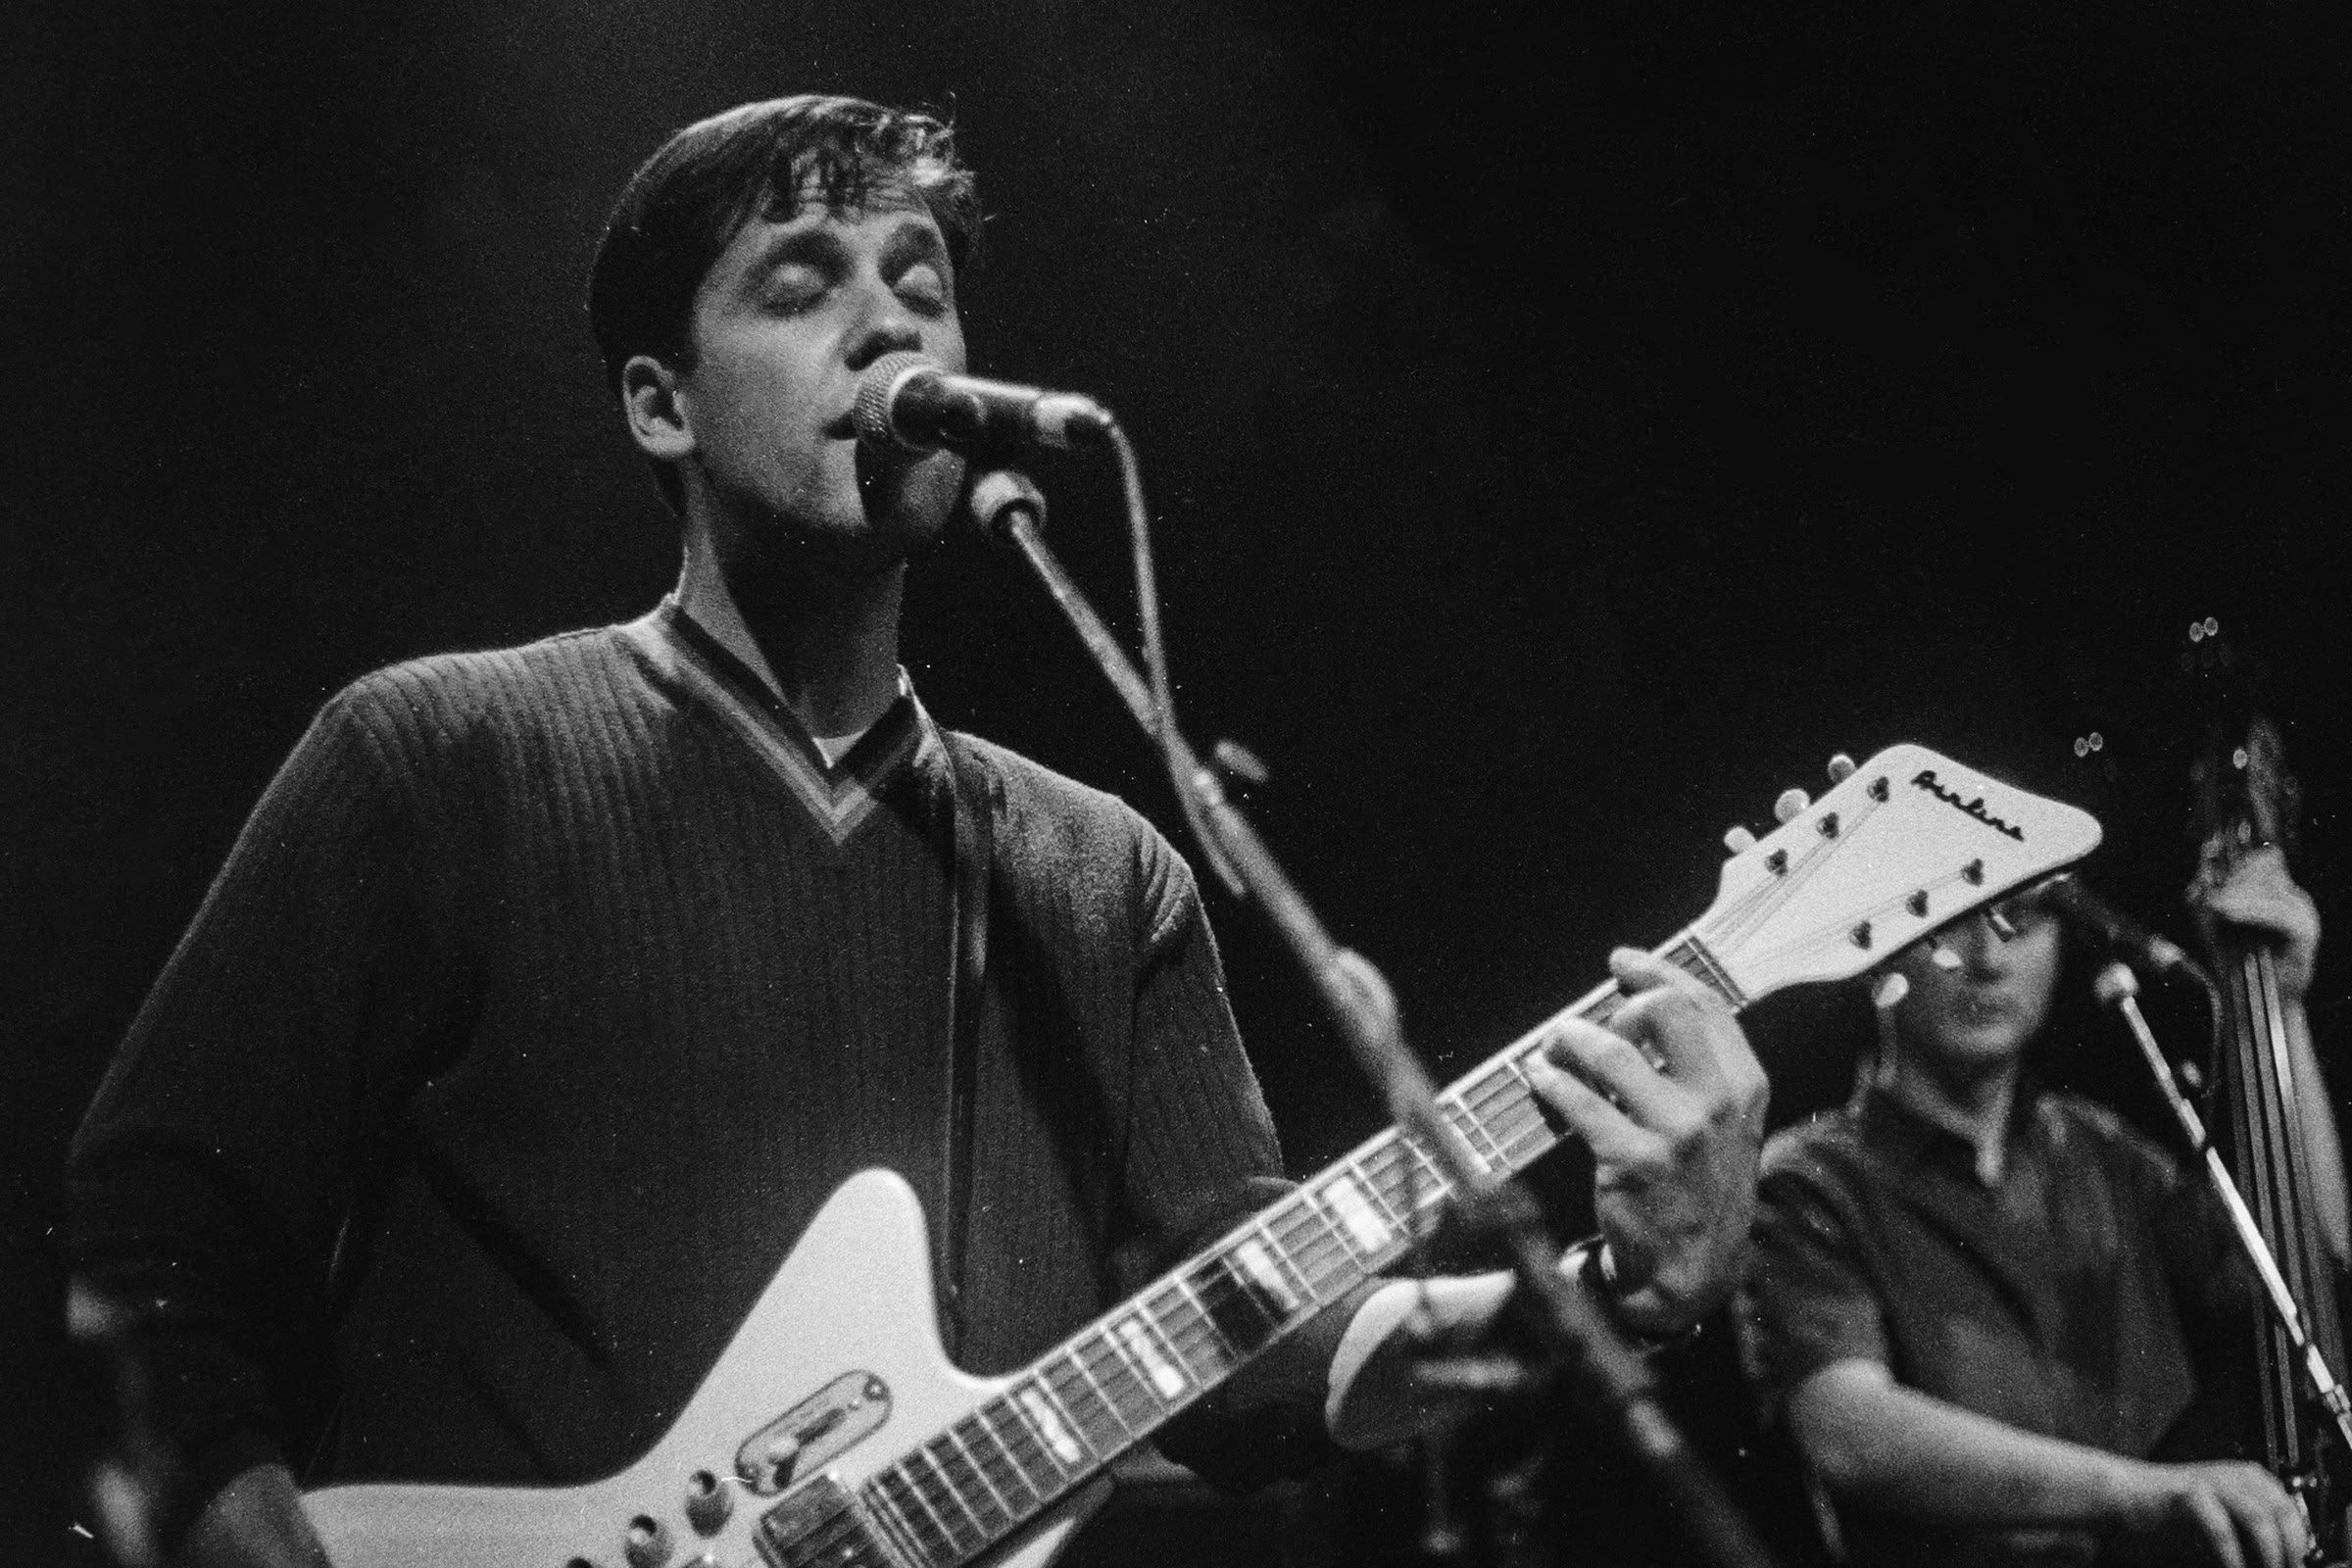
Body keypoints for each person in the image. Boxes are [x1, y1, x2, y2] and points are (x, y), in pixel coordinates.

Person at [64, 95, 1769, 1568]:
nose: (895, 338)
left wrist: (1621, 1286)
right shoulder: (442, 756)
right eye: (803, 288)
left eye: (922, 290)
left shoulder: (1106, 873)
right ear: (662, 403)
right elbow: (152, 1256)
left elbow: (1257, 1359)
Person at [1739, 844, 2343, 1568]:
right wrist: (2145, 1494)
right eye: (1947, 926)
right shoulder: (1806, 1180)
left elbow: (2302, 1285)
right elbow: (1849, 1430)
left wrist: (2279, 1013)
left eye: (2023, 920)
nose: (1990, 961)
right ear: (1878, 953)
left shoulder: (2100, 1149)